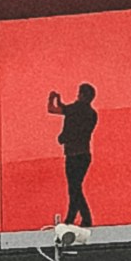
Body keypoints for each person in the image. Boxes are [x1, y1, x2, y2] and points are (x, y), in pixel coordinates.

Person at [48, 81, 97, 228]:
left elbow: (53, 109)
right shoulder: (92, 113)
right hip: (85, 154)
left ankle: (82, 218)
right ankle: (72, 218)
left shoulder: (75, 109)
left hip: (73, 154)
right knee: (75, 187)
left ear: (82, 95)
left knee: (74, 187)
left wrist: (53, 98)